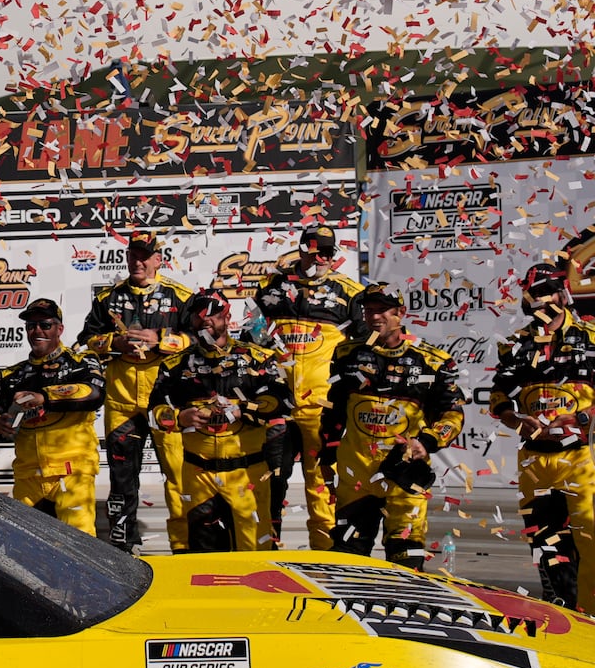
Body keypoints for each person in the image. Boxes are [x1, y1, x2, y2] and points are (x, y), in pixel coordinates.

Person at [319, 283, 464, 570]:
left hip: (404, 474)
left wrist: (427, 443)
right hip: (357, 477)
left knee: (406, 560)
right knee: (348, 560)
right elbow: (334, 411)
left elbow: (453, 414)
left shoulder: (432, 363)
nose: (374, 317)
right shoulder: (346, 354)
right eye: (368, 310)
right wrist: (326, 456)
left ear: (400, 313)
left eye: (382, 310)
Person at [77, 230, 195, 552]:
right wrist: (115, 342)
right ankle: (122, 547)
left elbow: (199, 339)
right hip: (122, 402)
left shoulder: (181, 297)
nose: (138, 261)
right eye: (133, 255)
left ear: (159, 259)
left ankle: (183, 547)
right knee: (121, 479)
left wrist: (162, 340)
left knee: (178, 476)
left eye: (145, 256)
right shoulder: (107, 298)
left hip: (165, 399)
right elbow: (84, 340)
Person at [150, 289, 293, 552]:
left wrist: (242, 409)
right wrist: (179, 417)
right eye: (199, 315)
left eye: (214, 314)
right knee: (204, 559)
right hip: (198, 475)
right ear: (190, 321)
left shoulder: (257, 358)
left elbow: (282, 403)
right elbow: (154, 412)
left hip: (247, 474)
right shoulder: (175, 364)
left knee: (255, 558)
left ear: (227, 318)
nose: (206, 319)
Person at [252, 224, 366, 549]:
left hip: (322, 408)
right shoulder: (271, 289)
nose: (323, 258)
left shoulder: (350, 293)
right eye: (317, 251)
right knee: (272, 478)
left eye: (329, 252)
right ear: (302, 250)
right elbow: (252, 338)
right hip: (279, 406)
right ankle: (266, 552)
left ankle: (327, 555)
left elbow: (361, 350)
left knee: (322, 482)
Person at [489, 263, 595, 609]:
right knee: (548, 545)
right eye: (534, 293)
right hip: (534, 460)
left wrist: (581, 417)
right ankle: (562, 613)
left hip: (583, 458)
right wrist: (513, 417)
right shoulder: (514, 345)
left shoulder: (591, 336)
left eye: (547, 291)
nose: (540, 300)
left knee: (590, 540)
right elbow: (498, 397)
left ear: (562, 293)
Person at [0, 299, 105, 534]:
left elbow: (95, 394)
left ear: (59, 329)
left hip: (72, 473)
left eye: (45, 325)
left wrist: (44, 397)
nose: (37, 331)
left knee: (80, 547)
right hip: (28, 476)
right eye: (31, 325)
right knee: (20, 548)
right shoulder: (12, 375)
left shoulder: (81, 362)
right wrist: (1, 425)